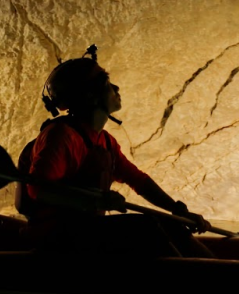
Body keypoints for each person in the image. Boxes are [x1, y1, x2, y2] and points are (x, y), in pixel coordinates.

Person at [16, 45, 214, 258]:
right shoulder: (61, 136)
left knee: (170, 224)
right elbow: (38, 190)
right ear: (91, 96)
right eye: (108, 84)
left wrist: (176, 210)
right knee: (145, 226)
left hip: (85, 231)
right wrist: (95, 200)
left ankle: (211, 271)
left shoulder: (106, 142)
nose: (116, 88)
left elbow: (138, 180)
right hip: (56, 237)